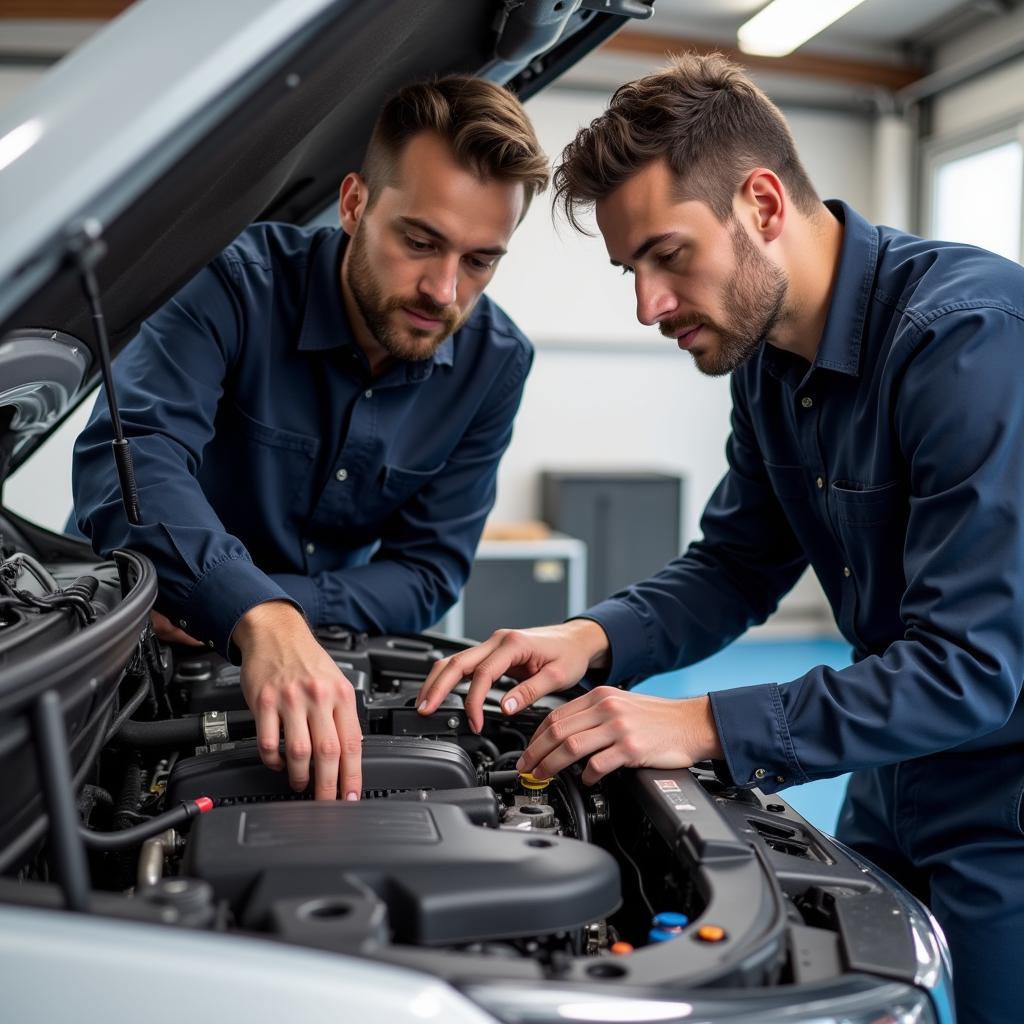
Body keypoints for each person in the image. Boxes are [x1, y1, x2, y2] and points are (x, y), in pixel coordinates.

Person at [416, 54, 1024, 1024]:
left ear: (763, 203)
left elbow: (968, 670)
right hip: (888, 772)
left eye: (667, 255)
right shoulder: (768, 366)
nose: (648, 305)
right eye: (631, 271)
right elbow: (736, 565)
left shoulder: (969, 341)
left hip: (1007, 805)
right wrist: (591, 637)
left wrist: (701, 723)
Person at [73, 75, 548, 804]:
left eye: (481, 260)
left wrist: (264, 612)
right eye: (420, 242)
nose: (444, 291)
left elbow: (427, 572)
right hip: (128, 646)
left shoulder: (495, 363)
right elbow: (133, 461)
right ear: (355, 203)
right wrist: (252, 614)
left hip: (301, 646)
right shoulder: (231, 284)